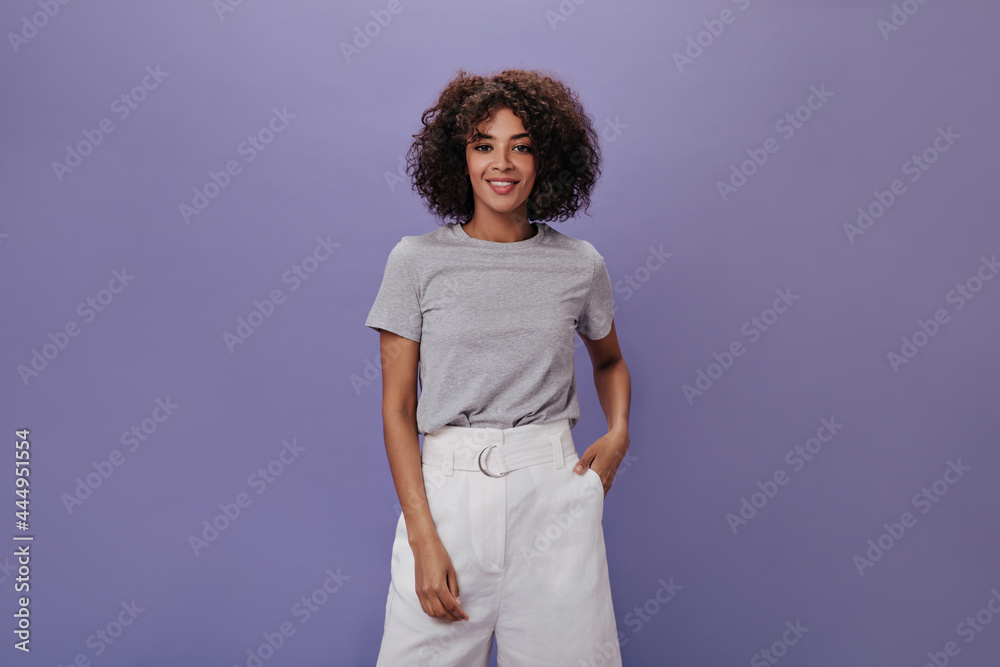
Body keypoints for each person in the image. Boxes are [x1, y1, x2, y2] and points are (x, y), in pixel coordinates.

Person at [365, 68, 631, 666]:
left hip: (553, 497)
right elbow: (397, 409)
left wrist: (618, 433)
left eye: (521, 146)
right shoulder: (415, 262)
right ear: (458, 157)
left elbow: (610, 360)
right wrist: (423, 536)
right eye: (484, 144)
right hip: (447, 500)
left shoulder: (578, 264)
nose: (501, 163)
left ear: (547, 160)